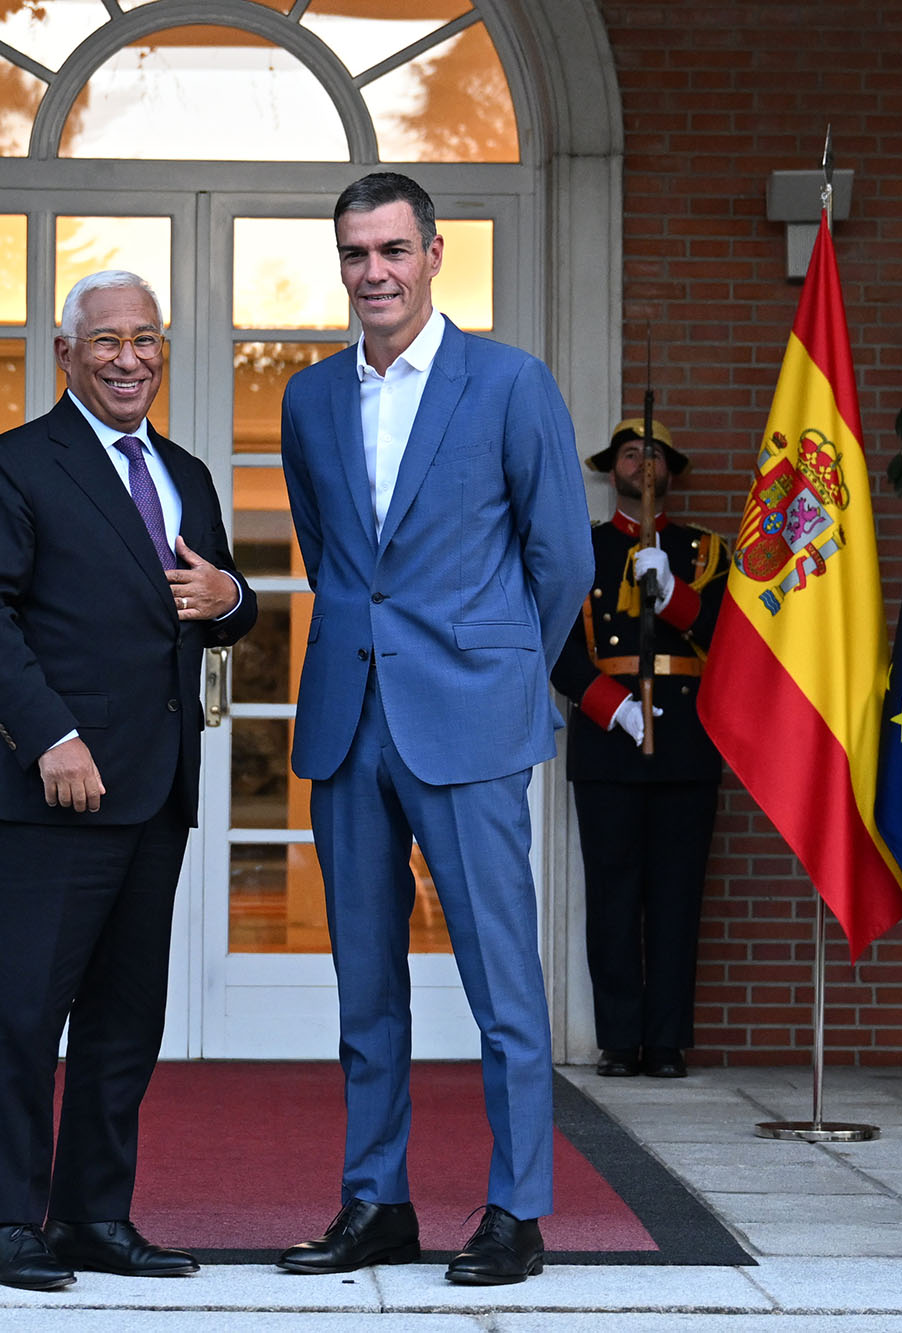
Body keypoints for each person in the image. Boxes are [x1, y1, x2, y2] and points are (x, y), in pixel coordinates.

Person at [277, 172, 590, 1287]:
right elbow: (331, 555)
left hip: (470, 724)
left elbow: (562, 561)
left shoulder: (508, 383)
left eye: (393, 250)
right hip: (348, 724)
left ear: (434, 253)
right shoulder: (309, 398)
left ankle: (517, 1209)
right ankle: (377, 1201)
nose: (375, 273)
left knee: (502, 985)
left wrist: (497, 672)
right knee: (365, 987)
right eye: (355, 253)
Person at [0, 270, 257, 1292]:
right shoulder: (12, 465)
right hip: (55, 786)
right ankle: (9, 1220)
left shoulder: (186, 473)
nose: (130, 358)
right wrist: (50, 736)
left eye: (145, 339)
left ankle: (91, 1215)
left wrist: (232, 595)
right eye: (108, 340)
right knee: (27, 1013)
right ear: (66, 353)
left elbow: (218, 603)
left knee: (125, 1018)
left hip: (156, 787)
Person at [549, 419, 729, 1080]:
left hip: (685, 741)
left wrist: (676, 596)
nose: (642, 463)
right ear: (611, 470)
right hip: (609, 744)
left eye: (653, 453)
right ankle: (620, 1040)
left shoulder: (704, 551)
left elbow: (732, 641)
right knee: (613, 897)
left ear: (670, 470)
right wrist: (611, 705)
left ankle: (667, 1041)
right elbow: (556, 645)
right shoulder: (583, 550)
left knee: (677, 898)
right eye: (630, 453)